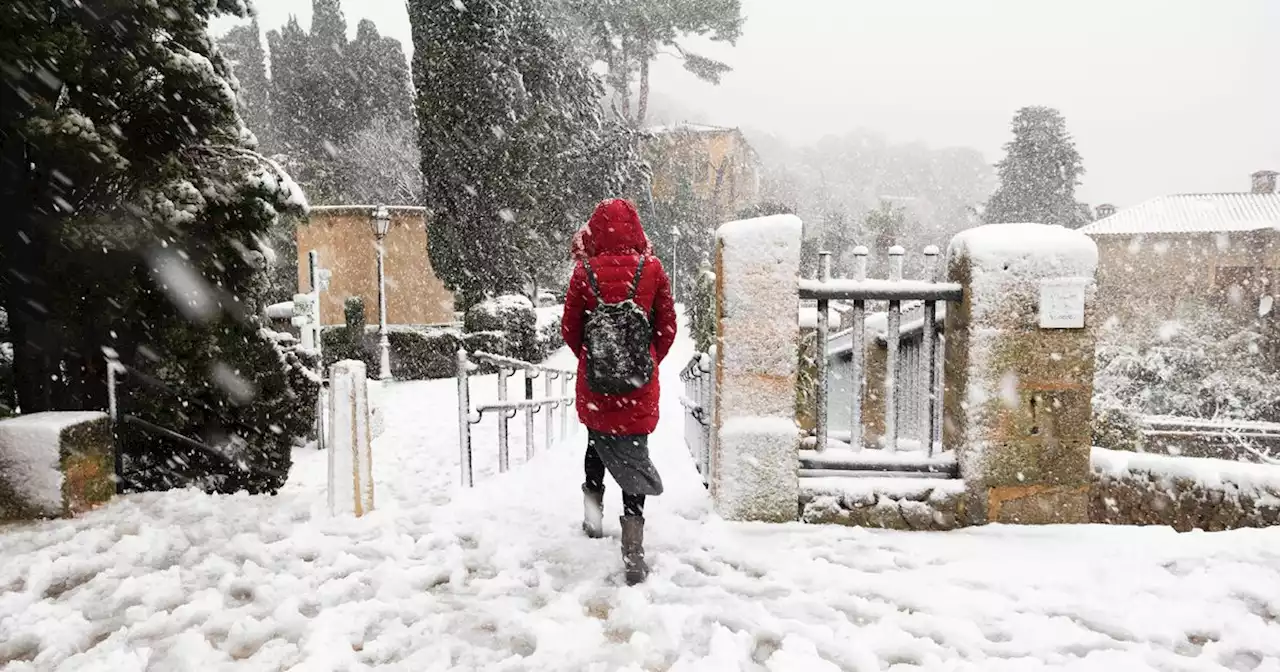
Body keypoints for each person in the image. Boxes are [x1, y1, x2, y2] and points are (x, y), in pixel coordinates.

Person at [561, 198, 677, 586]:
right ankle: (633, 547)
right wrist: (644, 361)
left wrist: (595, 359)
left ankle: (593, 521)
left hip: (596, 386)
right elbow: (667, 327)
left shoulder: (583, 272)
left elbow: (570, 329)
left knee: (595, 447)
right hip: (637, 386)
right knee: (635, 457)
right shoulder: (652, 269)